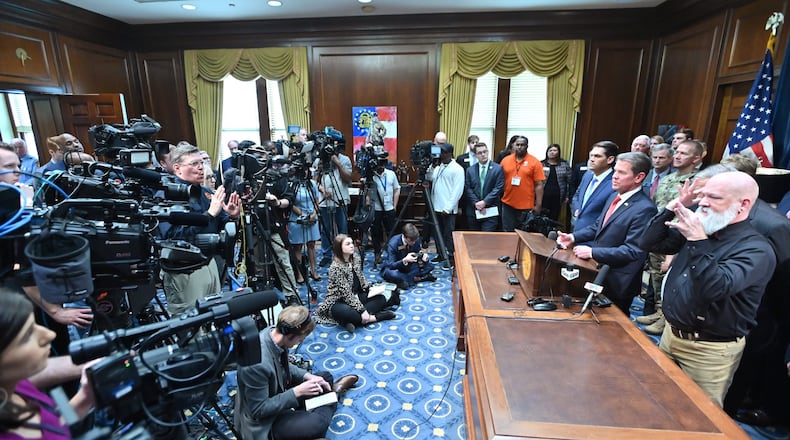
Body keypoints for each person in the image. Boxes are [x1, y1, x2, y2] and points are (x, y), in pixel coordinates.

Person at [639, 171, 776, 407]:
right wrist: (674, 206)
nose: (702, 202)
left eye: (714, 197)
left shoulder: (756, 250)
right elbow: (648, 242)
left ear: (743, 205)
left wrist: (697, 240)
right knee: (657, 401)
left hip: (708, 351)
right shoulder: (706, 228)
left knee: (697, 417)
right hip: (671, 336)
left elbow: (714, 287)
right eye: (702, 195)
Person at [717, 155, 790, 427]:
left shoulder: (774, 224)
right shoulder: (720, 211)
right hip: (720, 309)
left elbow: (784, 278)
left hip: (757, 314)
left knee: (739, 378)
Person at [234, 305, 359, 440]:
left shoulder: (274, 334)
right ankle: (333, 395)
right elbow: (258, 410)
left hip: (279, 391)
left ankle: (322, 401)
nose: (302, 341)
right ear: (291, 335)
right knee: (317, 424)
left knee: (324, 377)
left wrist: (308, 376)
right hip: (265, 422)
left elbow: (285, 366)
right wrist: (297, 392)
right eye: (301, 339)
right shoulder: (256, 364)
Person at [557, 152, 656, 315]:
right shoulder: (613, 197)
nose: (614, 176)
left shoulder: (645, 209)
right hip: (599, 273)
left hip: (619, 280)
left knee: (613, 328)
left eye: (621, 173)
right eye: (615, 171)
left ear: (639, 177)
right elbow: (598, 226)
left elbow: (633, 251)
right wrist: (573, 237)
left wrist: (592, 251)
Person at [0, 289, 95, 439]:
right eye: (27, 335)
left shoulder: (17, 386)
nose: (49, 335)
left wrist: (85, 397)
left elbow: (54, 424)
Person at [158, 144, 241, 315]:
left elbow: (218, 225)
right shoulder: (166, 194)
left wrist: (232, 215)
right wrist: (209, 214)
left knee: (214, 314)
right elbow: (172, 237)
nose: (200, 168)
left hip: (208, 262)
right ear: (177, 168)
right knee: (191, 321)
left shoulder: (204, 192)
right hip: (185, 270)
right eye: (194, 164)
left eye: (201, 163)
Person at [637, 139, 703, 334]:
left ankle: (666, 318)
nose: (678, 156)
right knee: (656, 278)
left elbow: (687, 216)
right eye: (677, 152)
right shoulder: (668, 178)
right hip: (659, 236)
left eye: (683, 153)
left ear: (696, 158)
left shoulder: (696, 183)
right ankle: (659, 311)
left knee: (669, 279)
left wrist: (671, 254)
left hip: (676, 240)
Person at [314, 235, 396, 333]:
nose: (352, 246)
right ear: (339, 248)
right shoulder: (335, 267)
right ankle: (375, 317)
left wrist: (370, 288)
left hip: (356, 295)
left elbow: (361, 277)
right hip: (338, 301)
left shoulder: (356, 258)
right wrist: (362, 310)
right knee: (348, 312)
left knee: (381, 298)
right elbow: (346, 294)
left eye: (352, 243)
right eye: (348, 244)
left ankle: (349, 321)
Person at [314, 141, 352, 268]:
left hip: (341, 200)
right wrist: (323, 191)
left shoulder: (344, 159)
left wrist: (338, 164)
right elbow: (315, 182)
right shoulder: (319, 161)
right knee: (325, 230)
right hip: (324, 202)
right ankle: (326, 255)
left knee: (343, 229)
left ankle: (344, 254)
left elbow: (348, 178)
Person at [426, 143, 465, 262]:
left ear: (450, 154)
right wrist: (432, 166)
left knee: (448, 235)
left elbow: (457, 191)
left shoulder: (457, 169)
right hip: (435, 206)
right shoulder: (439, 166)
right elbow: (429, 177)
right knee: (437, 234)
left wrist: (448, 208)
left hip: (447, 209)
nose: (441, 155)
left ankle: (452, 258)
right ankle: (441, 255)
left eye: (443, 153)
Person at [570, 141, 617, 235]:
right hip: (577, 230)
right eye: (591, 155)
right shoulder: (588, 175)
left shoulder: (614, 182)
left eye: (597, 156)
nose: (591, 159)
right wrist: (576, 209)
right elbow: (577, 195)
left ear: (610, 159)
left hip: (595, 237)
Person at [499, 136, 545, 232]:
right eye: (517, 144)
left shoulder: (535, 162)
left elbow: (539, 185)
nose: (519, 147)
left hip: (526, 205)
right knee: (507, 232)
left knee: (524, 233)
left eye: (522, 145)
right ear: (513, 145)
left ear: (527, 146)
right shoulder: (505, 160)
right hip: (507, 203)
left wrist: (539, 204)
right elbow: (499, 180)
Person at [288, 167, 320, 284]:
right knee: (298, 247)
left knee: (311, 244)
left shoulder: (312, 184)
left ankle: (313, 270)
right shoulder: (292, 185)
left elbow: (316, 200)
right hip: (297, 218)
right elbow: (290, 203)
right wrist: (303, 215)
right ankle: (299, 273)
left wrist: (314, 214)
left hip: (312, 217)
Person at [380, 223, 435, 290]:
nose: (413, 243)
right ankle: (418, 278)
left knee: (430, 265)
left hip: (410, 265)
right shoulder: (393, 244)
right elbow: (391, 265)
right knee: (391, 273)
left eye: (415, 240)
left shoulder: (415, 239)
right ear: (404, 236)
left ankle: (407, 280)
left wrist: (422, 255)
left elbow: (418, 250)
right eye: (411, 241)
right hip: (396, 267)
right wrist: (404, 260)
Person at [464, 142, 503, 231]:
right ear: (475, 155)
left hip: (491, 209)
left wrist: (485, 202)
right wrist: (476, 203)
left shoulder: (498, 168)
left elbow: (498, 188)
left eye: (485, 151)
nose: (483, 154)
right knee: (474, 239)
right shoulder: (470, 170)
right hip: (474, 210)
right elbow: (468, 188)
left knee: (486, 239)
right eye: (480, 153)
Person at [368, 157, 400, 265]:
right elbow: (367, 193)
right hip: (376, 209)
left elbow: (396, 189)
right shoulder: (371, 176)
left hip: (389, 208)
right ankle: (377, 253)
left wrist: (394, 206)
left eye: (382, 165)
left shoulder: (391, 174)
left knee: (391, 231)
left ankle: (392, 253)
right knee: (375, 233)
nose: (380, 167)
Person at [540, 143, 571, 222]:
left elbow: (569, 181)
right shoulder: (541, 164)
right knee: (542, 216)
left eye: (554, 150)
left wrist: (567, 196)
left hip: (558, 195)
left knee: (554, 216)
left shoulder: (564, 164)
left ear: (558, 152)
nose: (552, 152)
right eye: (550, 150)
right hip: (543, 194)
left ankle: (551, 233)